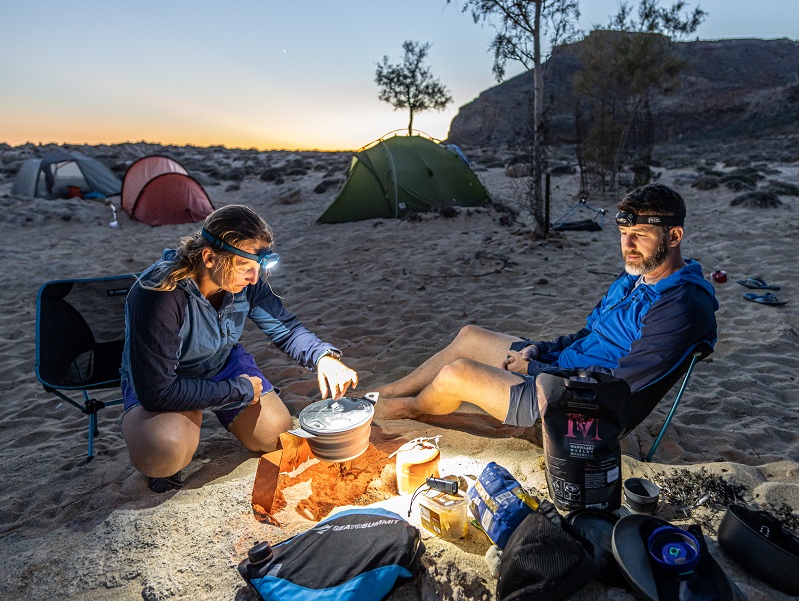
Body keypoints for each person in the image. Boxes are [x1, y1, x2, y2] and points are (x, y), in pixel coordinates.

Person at [377, 184, 717, 428]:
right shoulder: (635, 277)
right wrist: (540, 351)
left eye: (640, 234)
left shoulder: (681, 305)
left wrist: (536, 371)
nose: (627, 244)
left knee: (457, 374)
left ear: (674, 236)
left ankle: (410, 409)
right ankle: (386, 392)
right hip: (559, 370)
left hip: (580, 407)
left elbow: (617, 385)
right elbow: (589, 334)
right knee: (469, 336)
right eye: (623, 232)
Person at [121, 204, 357, 484]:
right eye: (245, 267)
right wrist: (238, 390)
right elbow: (157, 391)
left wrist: (322, 357)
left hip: (219, 362)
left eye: (258, 268)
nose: (254, 278)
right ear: (209, 257)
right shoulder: (160, 294)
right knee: (163, 451)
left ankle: (196, 410)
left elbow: (285, 328)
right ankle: (181, 424)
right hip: (168, 377)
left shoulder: (245, 282)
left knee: (274, 434)